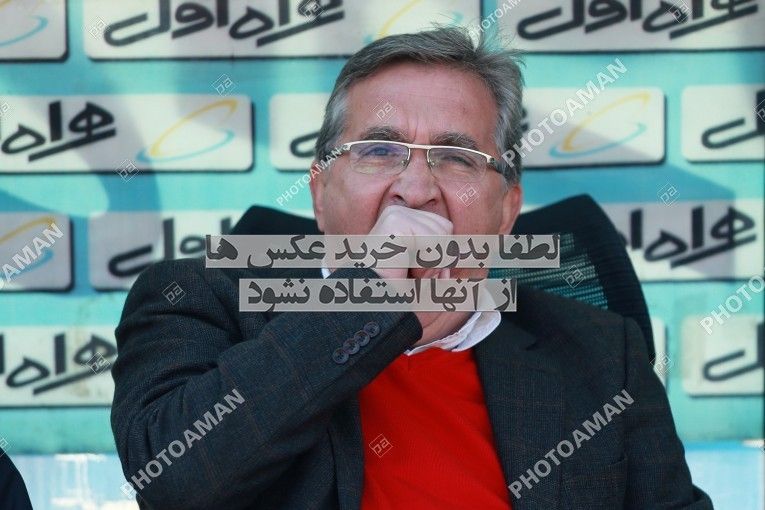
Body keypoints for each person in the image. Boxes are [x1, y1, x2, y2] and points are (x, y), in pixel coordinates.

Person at [111, 26, 713, 509]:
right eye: (378, 151)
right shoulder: (195, 296)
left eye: (456, 157)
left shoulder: (602, 352)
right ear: (319, 194)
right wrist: (365, 299)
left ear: (507, 210)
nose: (416, 189)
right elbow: (171, 481)